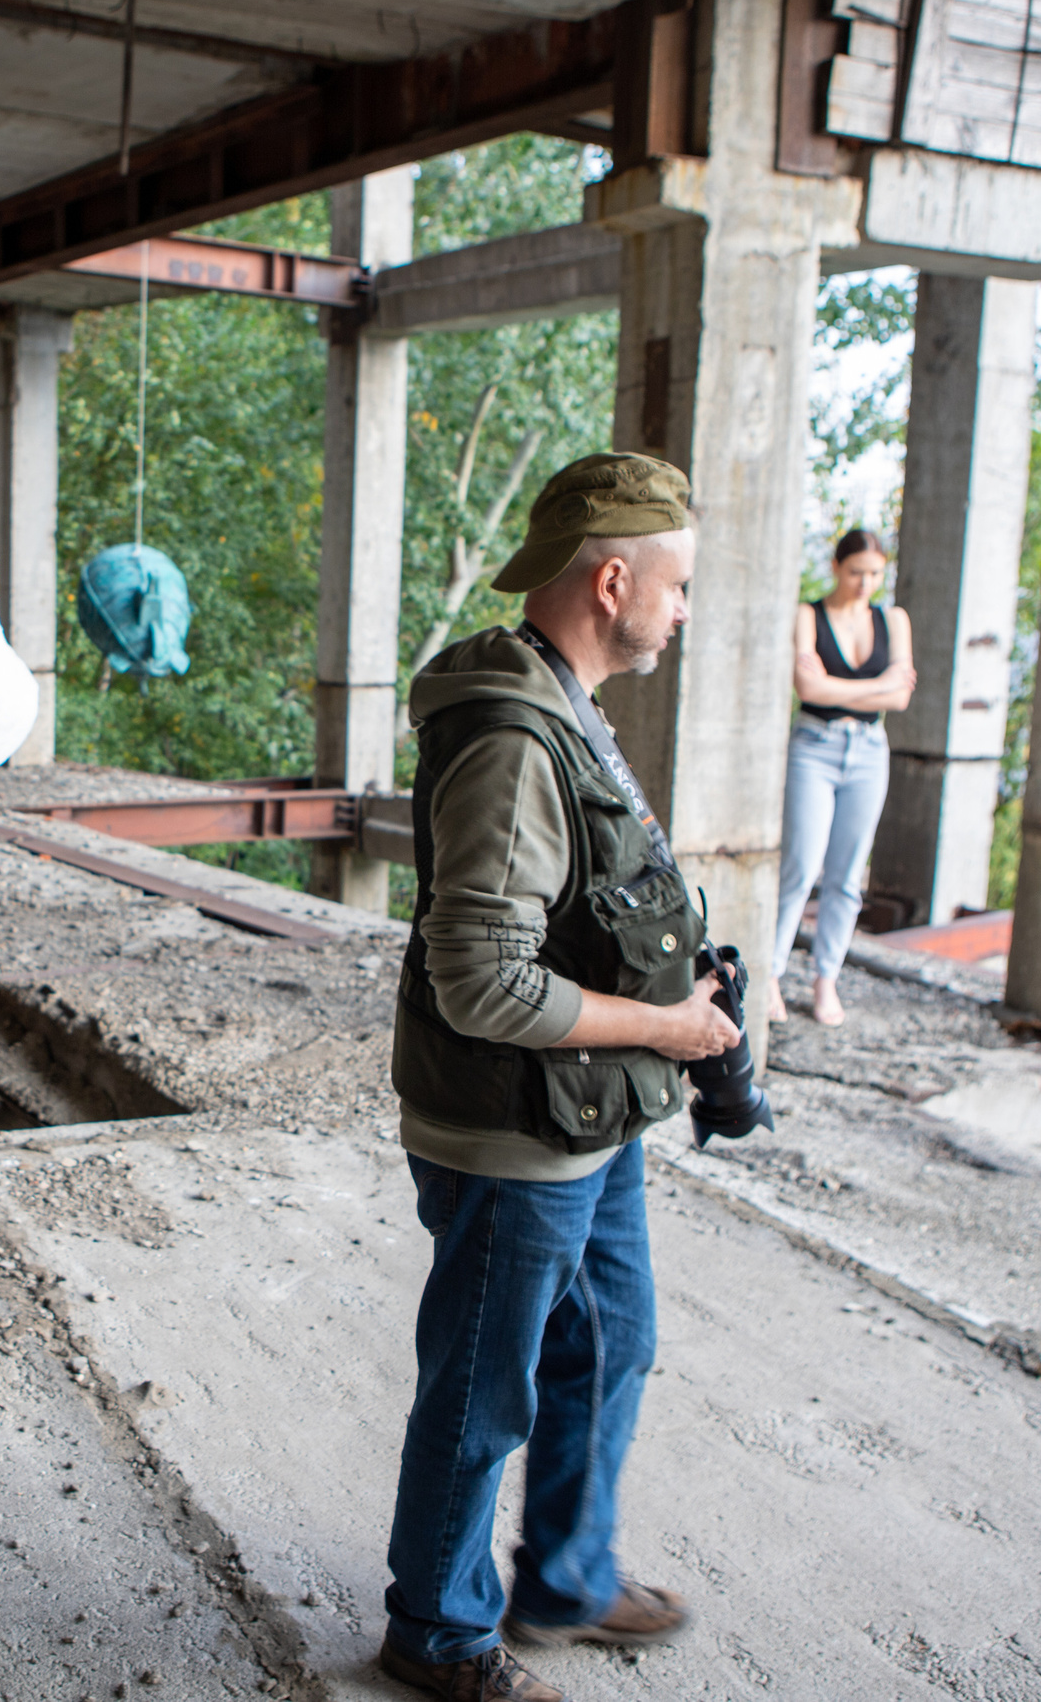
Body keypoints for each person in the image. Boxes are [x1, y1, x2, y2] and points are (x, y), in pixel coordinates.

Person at [380, 452, 740, 1702]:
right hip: (514, 1133)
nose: (683, 611)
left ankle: (566, 1579)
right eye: (678, 587)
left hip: (589, 1114)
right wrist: (664, 1031)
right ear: (612, 579)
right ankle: (437, 1633)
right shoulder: (508, 736)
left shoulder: (564, 700)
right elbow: (481, 981)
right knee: (484, 1392)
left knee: (612, 1342)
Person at [765, 529, 916, 1026]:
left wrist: (837, 689)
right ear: (836, 567)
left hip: (870, 751)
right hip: (815, 746)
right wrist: (875, 688)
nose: (864, 583)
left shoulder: (893, 619)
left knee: (847, 876)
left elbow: (901, 699)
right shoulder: (809, 615)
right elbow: (806, 686)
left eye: (874, 573)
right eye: (855, 572)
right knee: (801, 866)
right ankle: (771, 974)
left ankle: (826, 979)